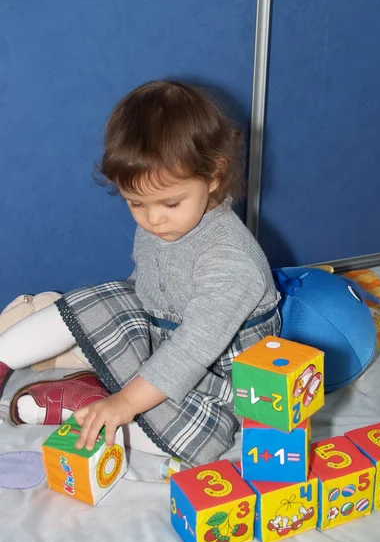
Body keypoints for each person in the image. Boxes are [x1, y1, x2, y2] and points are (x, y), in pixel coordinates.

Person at [0, 80, 280, 467]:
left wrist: (126, 402)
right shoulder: (161, 223)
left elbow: (191, 352)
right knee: (100, 299)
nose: (153, 219)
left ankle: (91, 403)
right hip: (160, 337)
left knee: (206, 442)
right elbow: (138, 288)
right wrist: (109, 319)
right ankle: (4, 356)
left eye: (170, 202)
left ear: (214, 175)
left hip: (216, 375)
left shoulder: (232, 261)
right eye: (136, 203)